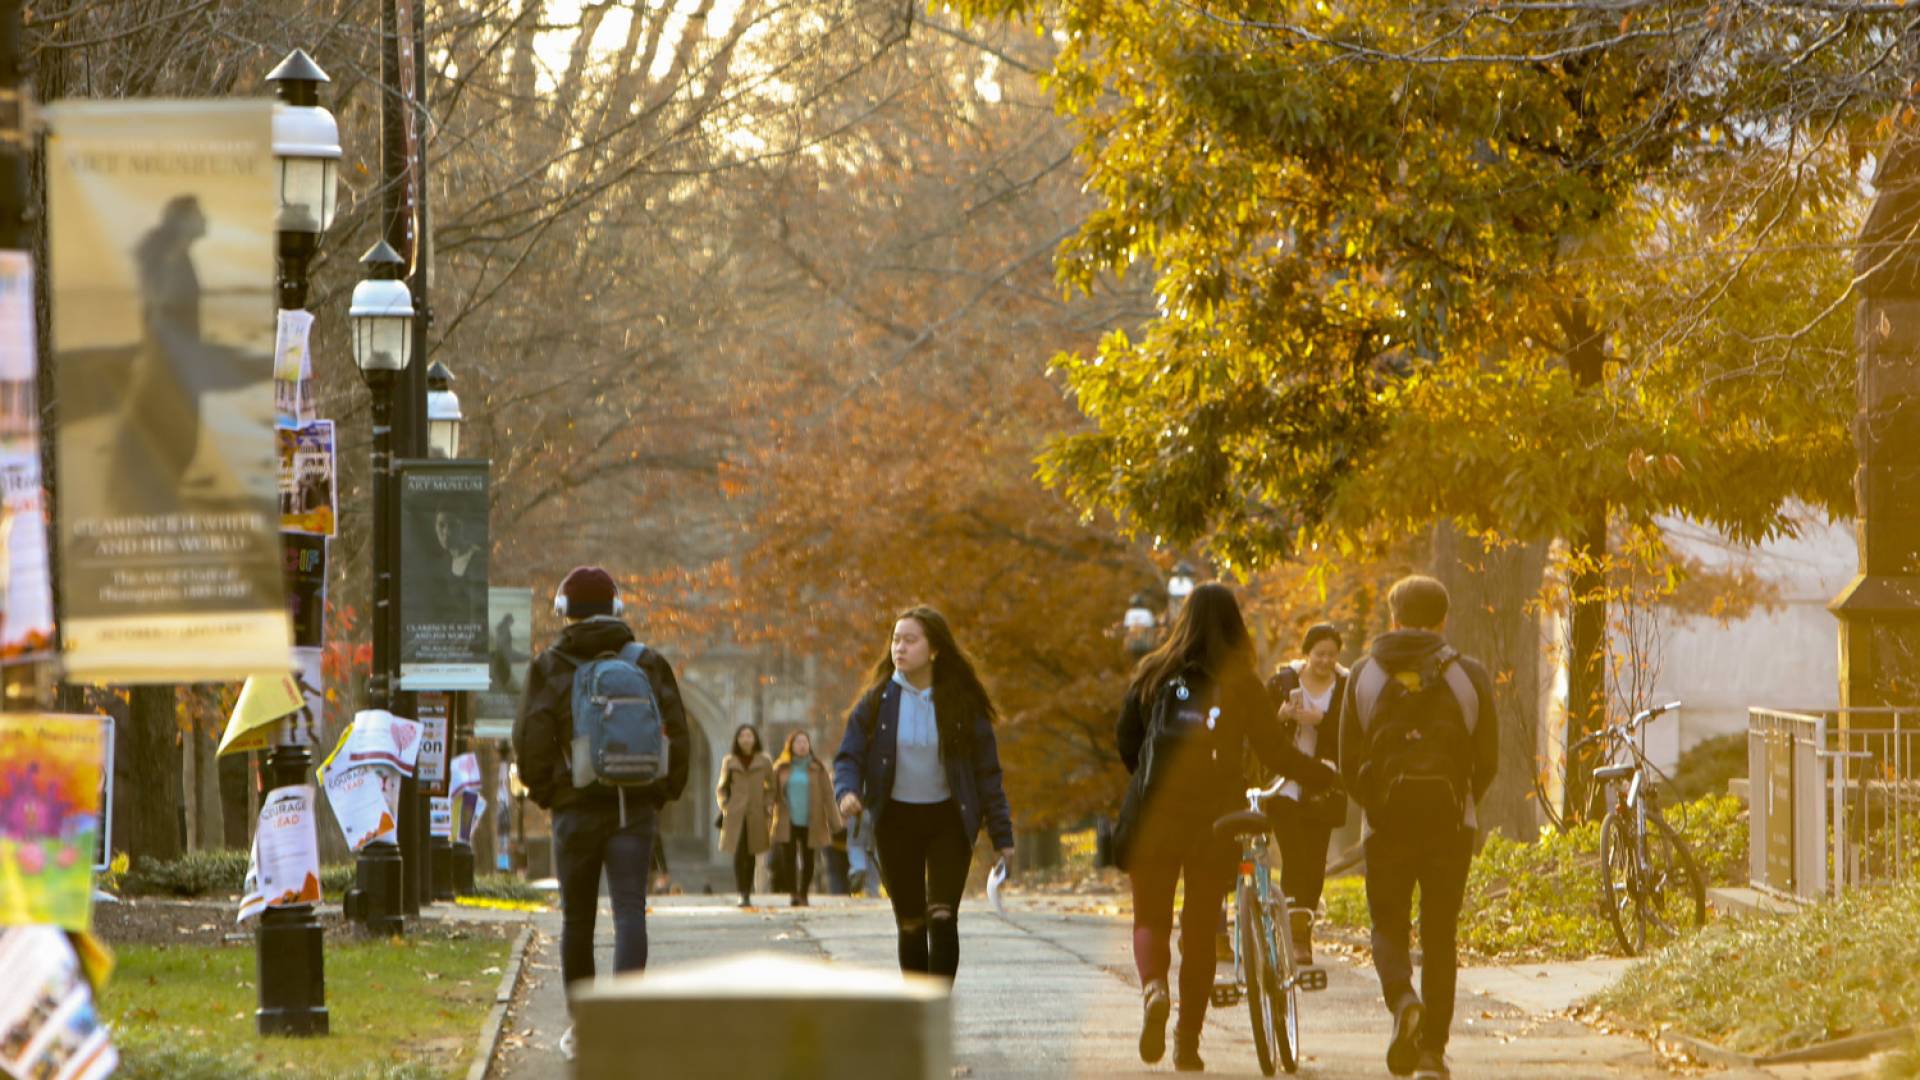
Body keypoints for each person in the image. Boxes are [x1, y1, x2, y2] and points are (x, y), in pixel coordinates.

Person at [1113, 582, 1339, 1073]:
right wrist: (1322, 775)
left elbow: (1126, 742)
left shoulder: (1153, 672)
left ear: (1183, 621)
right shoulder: (1241, 682)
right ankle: (1187, 1044)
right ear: (1235, 624)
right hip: (1214, 820)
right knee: (1199, 930)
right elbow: (1275, 753)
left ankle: (1154, 989)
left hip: (1155, 816)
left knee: (1149, 918)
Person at [511, 565, 691, 1060]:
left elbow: (529, 739)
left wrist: (551, 793)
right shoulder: (646, 661)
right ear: (617, 608)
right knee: (630, 911)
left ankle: (584, 1028)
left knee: (578, 920)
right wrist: (660, 791)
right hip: (634, 808)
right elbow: (677, 728)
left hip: (576, 810)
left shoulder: (549, 664)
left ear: (564, 610)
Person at [1340, 575, 1498, 1080]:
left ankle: (1403, 999)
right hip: (1450, 825)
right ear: (1443, 620)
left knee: (1387, 925)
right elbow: (1487, 758)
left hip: (1385, 825)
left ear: (1393, 619)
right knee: (1439, 935)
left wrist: (1377, 805)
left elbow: (1347, 760)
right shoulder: (1467, 675)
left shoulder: (1362, 677)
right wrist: (1461, 802)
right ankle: (1432, 1053)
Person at [834, 606, 1015, 981]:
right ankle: (918, 1013)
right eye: (895, 639)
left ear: (933, 649)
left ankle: (937, 1010)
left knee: (943, 917)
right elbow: (849, 754)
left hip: (948, 821)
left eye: (909, 640)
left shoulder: (960, 704)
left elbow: (987, 773)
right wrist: (847, 792)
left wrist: (1002, 835)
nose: (899, 648)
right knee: (912, 922)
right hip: (896, 822)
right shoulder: (878, 701)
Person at [1264, 622, 1349, 965]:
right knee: (1294, 855)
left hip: (1324, 783)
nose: (1325, 661)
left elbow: (1351, 733)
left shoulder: (1346, 687)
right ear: (1307, 653)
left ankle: (1303, 932)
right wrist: (1283, 716)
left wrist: (1321, 720)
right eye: (1319, 654)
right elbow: (1261, 732)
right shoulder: (1283, 682)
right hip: (1285, 785)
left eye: (1331, 655)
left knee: (1315, 863)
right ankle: (1292, 934)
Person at [772, 731, 841, 906]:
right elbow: (771, 793)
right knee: (788, 858)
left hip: (812, 819)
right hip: (788, 819)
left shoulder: (817, 768)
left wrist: (835, 822)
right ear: (791, 746)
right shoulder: (781, 768)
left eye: (804, 742)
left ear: (809, 745)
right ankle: (793, 893)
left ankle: (804, 893)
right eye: (798, 742)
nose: (802, 745)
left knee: (809, 857)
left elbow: (828, 795)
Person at [716, 725, 774, 907]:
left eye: (749, 735)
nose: (746, 739)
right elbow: (722, 787)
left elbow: (771, 787)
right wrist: (725, 805)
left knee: (752, 852)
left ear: (755, 738)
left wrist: (767, 804)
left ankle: (748, 889)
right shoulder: (729, 761)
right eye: (742, 736)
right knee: (739, 851)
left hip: (756, 812)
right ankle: (743, 892)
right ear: (737, 739)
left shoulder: (764, 761)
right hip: (736, 813)